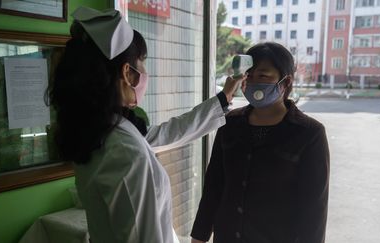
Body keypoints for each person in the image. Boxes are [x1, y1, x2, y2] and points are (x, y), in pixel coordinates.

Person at [47, 7, 244, 243]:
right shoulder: (124, 150)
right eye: (142, 62)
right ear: (127, 73)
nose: (145, 72)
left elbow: (166, 134)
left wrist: (223, 99)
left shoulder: (96, 129)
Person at [191, 42, 330, 243]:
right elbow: (214, 186)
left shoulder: (309, 134)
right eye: (249, 75)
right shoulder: (229, 123)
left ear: (286, 81)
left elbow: (314, 208)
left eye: (263, 76)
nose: (254, 81)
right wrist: (199, 237)